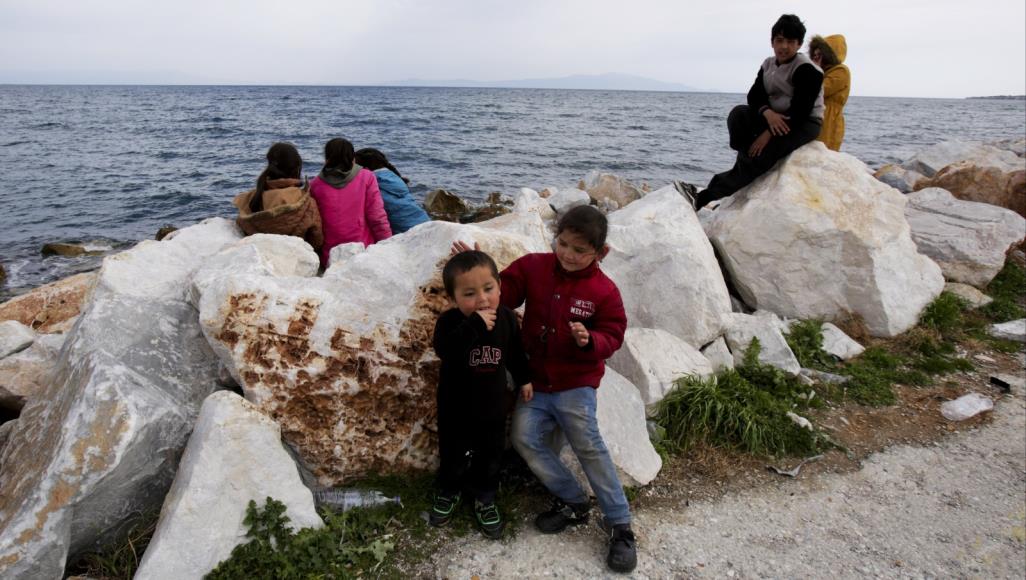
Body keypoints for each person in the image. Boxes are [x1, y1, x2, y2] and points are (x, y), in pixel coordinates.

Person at [457, 205, 636, 572]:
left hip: (576, 384)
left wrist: (590, 340)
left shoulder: (604, 291)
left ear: (601, 252)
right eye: (563, 244)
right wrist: (477, 272)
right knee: (523, 437)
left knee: (588, 445)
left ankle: (621, 525)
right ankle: (573, 501)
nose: (568, 254)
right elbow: (504, 292)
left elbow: (614, 334)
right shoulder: (534, 266)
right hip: (535, 383)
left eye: (579, 250)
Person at [431, 250, 531, 539]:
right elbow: (446, 350)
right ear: (453, 299)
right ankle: (449, 490)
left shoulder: (507, 319)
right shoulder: (450, 322)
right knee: (452, 452)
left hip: (492, 407)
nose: (482, 299)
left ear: (500, 286)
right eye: (469, 294)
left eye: (488, 288)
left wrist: (525, 379)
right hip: (455, 406)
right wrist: (473, 325)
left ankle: (484, 497)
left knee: (490, 454)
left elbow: (515, 354)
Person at [693, 14, 824, 211]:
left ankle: (705, 196)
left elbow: (801, 110)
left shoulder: (807, 69)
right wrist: (768, 114)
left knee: (758, 157)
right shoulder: (768, 65)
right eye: (779, 40)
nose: (784, 47)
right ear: (772, 42)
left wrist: (767, 134)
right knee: (739, 114)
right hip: (773, 117)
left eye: (790, 42)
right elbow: (754, 95)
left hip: (802, 122)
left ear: (799, 44)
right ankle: (746, 157)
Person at [309, 138, 392, 266]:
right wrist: (388, 244)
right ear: (352, 157)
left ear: (327, 159)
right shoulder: (367, 177)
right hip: (362, 252)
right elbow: (377, 217)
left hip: (330, 257)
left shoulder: (315, 184)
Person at [233, 142, 324, 251]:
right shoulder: (306, 202)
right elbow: (316, 240)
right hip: (296, 255)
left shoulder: (251, 200)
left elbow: (243, 226)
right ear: (297, 167)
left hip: (261, 254)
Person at [354, 148, 430, 234]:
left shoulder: (371, 184)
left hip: (410, 233)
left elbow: (376, 218)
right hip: (426, 223)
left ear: (365, 169)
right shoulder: (394, 177)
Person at [809, 34, 850, 151]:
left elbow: (820, 89)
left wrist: (815, 70)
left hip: (830, 119)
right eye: (814, 55)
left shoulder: (841, 71)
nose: (816, 58)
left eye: (819, 55)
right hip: (817, 115)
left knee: (825, 152)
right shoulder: (822, 71)